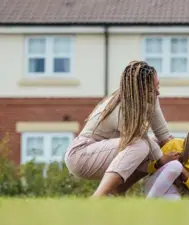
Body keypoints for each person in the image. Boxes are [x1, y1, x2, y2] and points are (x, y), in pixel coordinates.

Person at [64, 60, 176, 197]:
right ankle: (98, 197)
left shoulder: (151, 98)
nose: (158, 93)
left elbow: (164, 136)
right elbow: (144, 144)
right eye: (153, 89)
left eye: (158, 86)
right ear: (139, 90)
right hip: (81, 156)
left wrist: (184, 151)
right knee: (141, 145)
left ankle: (118, 189)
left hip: (105, 150)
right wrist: (162, 161)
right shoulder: (121, 108)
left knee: (153, 144)